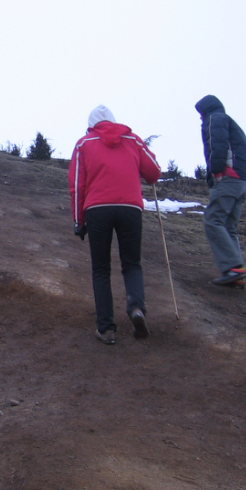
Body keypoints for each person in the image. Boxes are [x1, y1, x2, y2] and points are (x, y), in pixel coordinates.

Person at [69, 105, 162, 344]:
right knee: (131, 263)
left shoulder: (84, 144)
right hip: (130, 208)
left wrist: (79, 222)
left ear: (91, 125)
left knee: (101, 268)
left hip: (97, 209)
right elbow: (153, 171)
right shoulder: (132, 139)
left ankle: (107, 328)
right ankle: (136, 309)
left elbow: (77, 185)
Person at [194, 94, 246, 286]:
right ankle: (236, 274)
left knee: (213, 220)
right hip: (241, 180)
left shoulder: (215, 119)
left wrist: (216, 172)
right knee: (229, 227)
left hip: (228, 177)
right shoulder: (229, 121)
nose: (200, 117)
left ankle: (234, 267)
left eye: (200, 113)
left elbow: (216, 145)